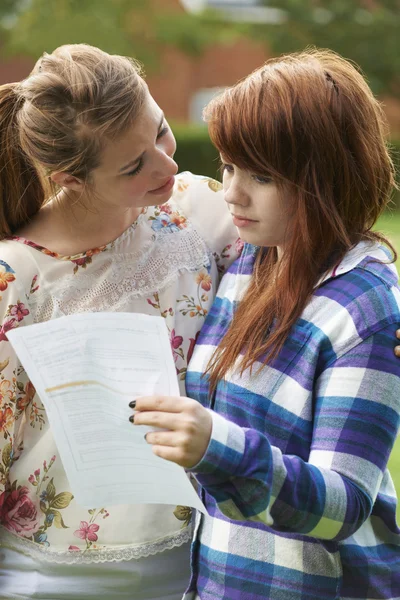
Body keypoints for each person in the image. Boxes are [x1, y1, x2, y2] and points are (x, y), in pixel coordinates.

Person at [134, 50, 400, 599]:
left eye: (260, 175)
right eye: (229, 166)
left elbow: (345, 505)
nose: (231, 192)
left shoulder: (365, 309)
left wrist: (217, 446)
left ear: (327, 176)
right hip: (221, 581)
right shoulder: (250, 258)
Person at [0, 44, 242, 600]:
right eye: (134, 165)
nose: (167, 165)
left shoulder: (198, 210)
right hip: (54, 575)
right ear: (72, 178)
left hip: (198, 557)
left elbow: (318, 266)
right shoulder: (15, 276)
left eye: (159, 131)